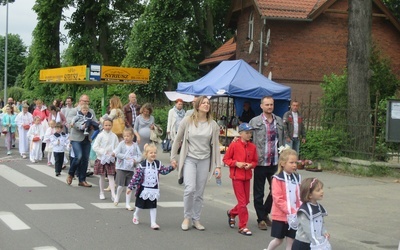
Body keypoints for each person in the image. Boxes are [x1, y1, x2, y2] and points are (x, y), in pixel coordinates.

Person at [170, 95, 222, 231]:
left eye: (208, 103)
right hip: (190, 159)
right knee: (189, 189)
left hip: (205, 159)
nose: (206, 105)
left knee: (199, 192)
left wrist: (218, 166)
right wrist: (173, 157)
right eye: (204, 103)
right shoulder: (187, 121)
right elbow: (177, 140)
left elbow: (216, 146)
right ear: (197, 105)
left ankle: (196, 219)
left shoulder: (213, 124)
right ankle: (187, 217)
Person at [249, 96, 285, 230]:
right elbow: (247, 137)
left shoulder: (279, 121)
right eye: (267, 105)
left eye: (271, 104)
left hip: (275, 161)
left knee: (276, 191)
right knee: (259, 193)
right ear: (261, 106)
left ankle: (264, 213)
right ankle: (261, 219)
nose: (270, 107)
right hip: (259, 162)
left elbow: (282, 141)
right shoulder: (255, 121)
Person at [127, 143, 176, 230]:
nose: (153, 154)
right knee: (140, 205)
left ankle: (153, 222)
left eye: (155, 153)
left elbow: (163, 171)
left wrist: (171, 167)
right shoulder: (142, 165)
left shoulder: (158, 164)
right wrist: (130, 187)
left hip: (154, 188)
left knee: (153, 206)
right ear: (146, 154)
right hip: (143, 188)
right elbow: (136, 177)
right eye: (151, 153)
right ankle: (136, 214)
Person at [223, 123, 258, 236]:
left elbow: (255, 161)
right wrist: (236, 163)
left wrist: (251, 165)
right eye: (247, 133)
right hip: (236, 176)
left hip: (247, 176)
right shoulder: (234, 145)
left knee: (246, 201)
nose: (249, 135)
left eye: (250, 133)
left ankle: (232, 213)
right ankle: (243, 226)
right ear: (240, 133)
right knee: (242, 203)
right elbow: (226, 159)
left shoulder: (252, 147)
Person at [265, 148, 301, 250]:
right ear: (282, 164)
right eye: (291, 162)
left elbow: (299, 196)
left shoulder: (297, 178)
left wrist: (300, 209)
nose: (294, 165)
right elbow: (278, 198)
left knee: (291, 241)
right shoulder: (277, 179)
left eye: (295, 162)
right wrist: (290, 210)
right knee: (278, 240)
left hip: (294, 216)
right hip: (280, 216)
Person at [66, 94, 98, 187]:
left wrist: (93, 125)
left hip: (87, 137)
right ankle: (71, 173)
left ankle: (82, 180)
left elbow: (95, 121)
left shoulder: (91, 111)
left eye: (88, 101)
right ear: (80, 101)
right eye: (84, 101)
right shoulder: (74, 111)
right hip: (76, 137)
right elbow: (70, 122)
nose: (86, 103)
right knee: (78, 156)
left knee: (85, 159)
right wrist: (81, 126)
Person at [292, 178, 330, 250]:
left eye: (322, 189)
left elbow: (321, 223)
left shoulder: (319, 207)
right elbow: (308, 229)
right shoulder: (304, 211)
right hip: (303, 243)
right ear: (309, 195)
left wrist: (324, 232)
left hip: (314, 241)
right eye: (318, 190)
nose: (322, 191)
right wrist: (317, 243)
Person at [113, 128, 142, 210]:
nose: (126, 138)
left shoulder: (135, 145)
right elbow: (117, 153)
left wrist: (135, 160)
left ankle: (127, 203)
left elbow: (140, 155)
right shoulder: (121, 144)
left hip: (131, 168)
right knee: (120, 185)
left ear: (132, 136)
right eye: (124, 136)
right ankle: (117, 197)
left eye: (128, 136)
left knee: (129, 186)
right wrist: (126, 157)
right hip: (121, 167)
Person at [92, 118, 119, 200]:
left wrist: (114, 152)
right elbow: (95, 146)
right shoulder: (100, 135)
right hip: (101, 158)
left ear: (112, 126)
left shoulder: (114, 136)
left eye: (109, 125)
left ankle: (113, 194)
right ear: (103, 126)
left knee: (111, 176)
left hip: (110, 158)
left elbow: (117, 146)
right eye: (106, 125)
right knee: (102, 176)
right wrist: (103, 152)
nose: (107, 127)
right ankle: (101, 192)